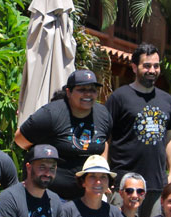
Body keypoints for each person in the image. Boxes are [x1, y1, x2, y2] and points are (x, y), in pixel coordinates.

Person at [105, 42, 171, 217]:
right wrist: (105, 174)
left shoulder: (166, 99)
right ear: (134, 67)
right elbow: (105, 136)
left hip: (156, 184)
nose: (152, 70)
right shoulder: (119, 97)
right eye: (146, 66)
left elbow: (170, 137)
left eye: (156, 66)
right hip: (125, 185)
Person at [14, 70, 112, 200]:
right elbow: (20, 140)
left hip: (88, 197)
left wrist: (102, 171)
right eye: (82, 89)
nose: (88, 94)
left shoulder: (103, 114)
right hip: (49, 196)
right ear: (68, 92)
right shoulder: (50, 114)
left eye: (92, 90)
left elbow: (104, 142)